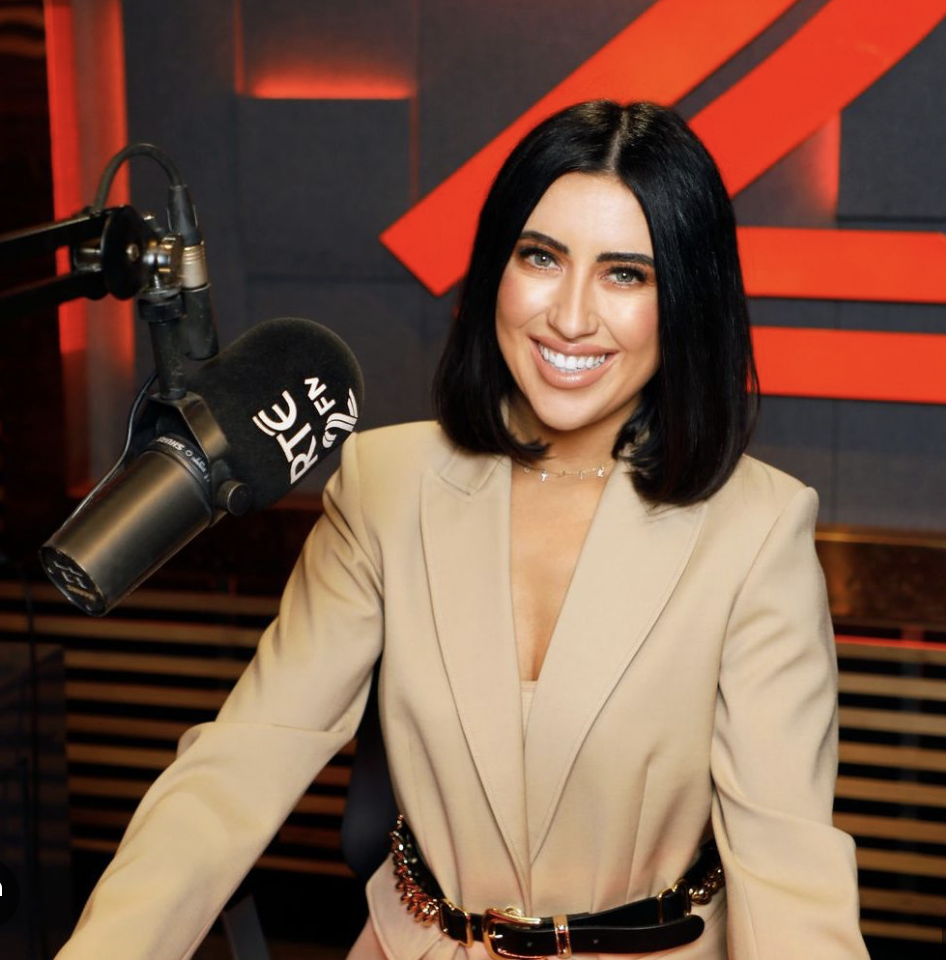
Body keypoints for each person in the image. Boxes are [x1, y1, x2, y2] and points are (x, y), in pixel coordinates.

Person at [58, 101, 868, 959]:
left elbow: (789, 871)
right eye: (542, 258)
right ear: (496, 270)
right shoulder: (386, 485)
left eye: (627, 273)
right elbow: (238, 767)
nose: (570, 316)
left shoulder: (759, 528)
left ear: (686, 303)